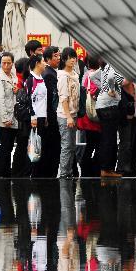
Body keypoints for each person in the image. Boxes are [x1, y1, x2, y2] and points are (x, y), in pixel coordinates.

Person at [95, 61, 125, 178]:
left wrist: (102, 90)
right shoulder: (115, 64)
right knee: (109, 139)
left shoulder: (107, 65)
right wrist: (111, 90)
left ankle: (106, 168)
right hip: (109, 106)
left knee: (107, 138)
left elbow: (93, 76)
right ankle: (106, 169)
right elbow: (112, 77)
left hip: (102, 104)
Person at [0, 52, 18, 178]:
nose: (6, 65)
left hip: (13, 117)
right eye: (4, 63)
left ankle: (5, 171)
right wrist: (5, 118)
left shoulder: (13, 76)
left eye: (8, 63)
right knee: (5, 146)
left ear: (12, 63)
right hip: (5, 118)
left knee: (8, 145)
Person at [56, 47, 80, 179]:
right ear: (64, 59)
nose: (72, 60)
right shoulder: (63, 76)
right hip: (65, 115)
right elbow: (63, 98)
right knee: (67, 145)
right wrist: (69, 117)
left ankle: (68, 172)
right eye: (70, 57)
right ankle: (64, 173)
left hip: (73, 114)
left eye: (74, 57)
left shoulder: (75, 75)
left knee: (71, 146)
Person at [22, 54, 47, 178]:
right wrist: (33, 116)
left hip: (42, 117)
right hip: (35, 118)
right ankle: (29, 173)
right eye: (43, 61)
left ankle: (37, 173)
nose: (45, 63)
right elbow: (29, 100)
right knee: (33, 145)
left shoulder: (41, 78)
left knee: (39, 145)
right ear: (37, 63)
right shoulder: (31, 79)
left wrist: (45, 117)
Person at [76, 54, 101, 177]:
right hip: (94, 116)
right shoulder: (95, 75)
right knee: (96, 143)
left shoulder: (86, 74)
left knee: (90, 143)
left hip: (87, 115)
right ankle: (90, 167)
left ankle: (86, 166)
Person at [41, 46, 61, 177]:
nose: (58, 58)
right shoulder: (49, 74)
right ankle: (49, 175)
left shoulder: (52, 72)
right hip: (51, 116)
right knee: (52, 146)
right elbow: (50, 99)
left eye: (59, 55)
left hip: (52, 115)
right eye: (55, 56)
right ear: (48, 59)